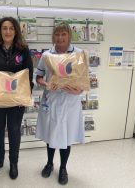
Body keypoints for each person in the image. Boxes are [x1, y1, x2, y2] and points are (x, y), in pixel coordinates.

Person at [0, 17, 34, 179]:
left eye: (11, 28)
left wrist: (25, 95)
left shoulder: (23, 50)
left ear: (16, 31)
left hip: (17, 100)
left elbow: (29, 74)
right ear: (0, 31)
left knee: (13, 130)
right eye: (4, 28)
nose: (8, 31)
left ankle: (13, 162)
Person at [35, 21, 85, 185]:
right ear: (53, 37)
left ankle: (63, 168)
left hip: (70, 102)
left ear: (69, 36)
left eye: (63, 34)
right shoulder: (46, 55)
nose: (60, 37)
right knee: (51, 135)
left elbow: (85, 80)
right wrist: (45, 84)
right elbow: (39, 77)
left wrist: (78, 90)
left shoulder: (78, 54)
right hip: (52, 100)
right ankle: (49, 164)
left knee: (66, 136)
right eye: (57, 34)